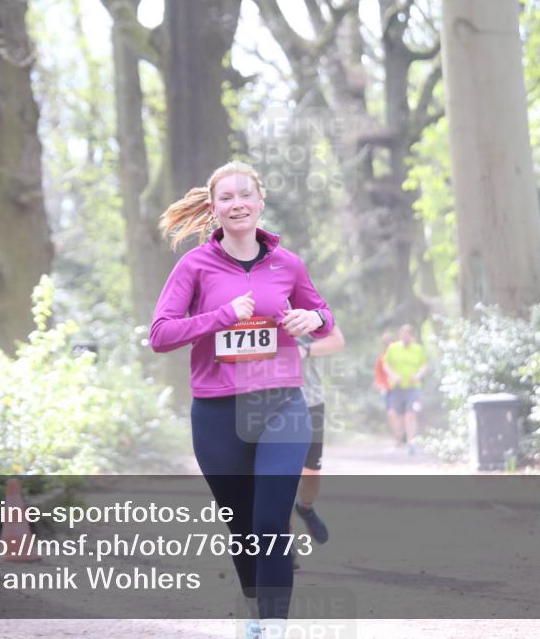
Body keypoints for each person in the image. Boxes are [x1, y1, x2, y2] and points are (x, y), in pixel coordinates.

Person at [149, 161, 336, 639]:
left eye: (244, 195)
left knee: (271, 522)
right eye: (226, 198)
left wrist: (311, 322)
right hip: (217, 412)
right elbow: (161, 335)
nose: (236, 204)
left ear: (260, 202)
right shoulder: (194, 266)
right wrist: (221, 315)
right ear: (213, 209)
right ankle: (256, 609)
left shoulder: (287, 263)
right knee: (244, 527)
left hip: (280, 406)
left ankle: (276, 629)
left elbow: (322, 314)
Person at [292, 324, 346, 551]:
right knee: (279, 475)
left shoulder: (308, 307)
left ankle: (306, 507)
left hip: (311, 401)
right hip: (270, 402)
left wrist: (306, 349)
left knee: (311, 472)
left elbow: (337, 341)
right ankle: (284, 544)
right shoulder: (255, 307)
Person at [382, 324, 428, 455]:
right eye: (403, 335)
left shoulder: (418, 349)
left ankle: (411, 441)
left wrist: (418, 375)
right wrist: (393, 376)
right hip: (396, 387)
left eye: (408, 336)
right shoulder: (393, 348)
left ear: (412, 337)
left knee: (410, 414)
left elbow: (424, 365)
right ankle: (399, 435)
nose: (405, 338)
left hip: (413, 388)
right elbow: (386, 364)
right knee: (396, 414)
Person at [373, 333, 402, 446]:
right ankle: (398, 435)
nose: (389, 344)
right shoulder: (382, 358)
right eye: (386, 342)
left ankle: (404, 434)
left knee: (401, 413)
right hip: (389, 389)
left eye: (391, 341)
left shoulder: (401, 356)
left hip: (401, 388)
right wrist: (380, 385)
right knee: (391, 413)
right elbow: (378, 374)